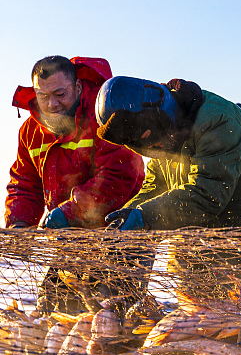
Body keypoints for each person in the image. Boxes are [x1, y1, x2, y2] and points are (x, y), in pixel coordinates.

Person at [96, 76, 241, 304]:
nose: (155, 146)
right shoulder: (160, 148)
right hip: (236, 232)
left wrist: (145, 217)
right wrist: (125, 219)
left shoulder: (217, 120)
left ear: (160, 111)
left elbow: (207, 195)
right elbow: (154, 190)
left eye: (152, 137)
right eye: (143, 144)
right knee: (227, 319)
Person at [6, 56, 145, 312]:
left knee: (115, 317)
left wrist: (70, 210)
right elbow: (24, 183)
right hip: (71, 238)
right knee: (52, 312)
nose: (52, 104)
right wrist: (19, 222)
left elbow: (120, 176)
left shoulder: (105, 116)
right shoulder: (30, 131)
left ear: (78, 87)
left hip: (122, 233)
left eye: (60, 94)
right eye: (43, 95)